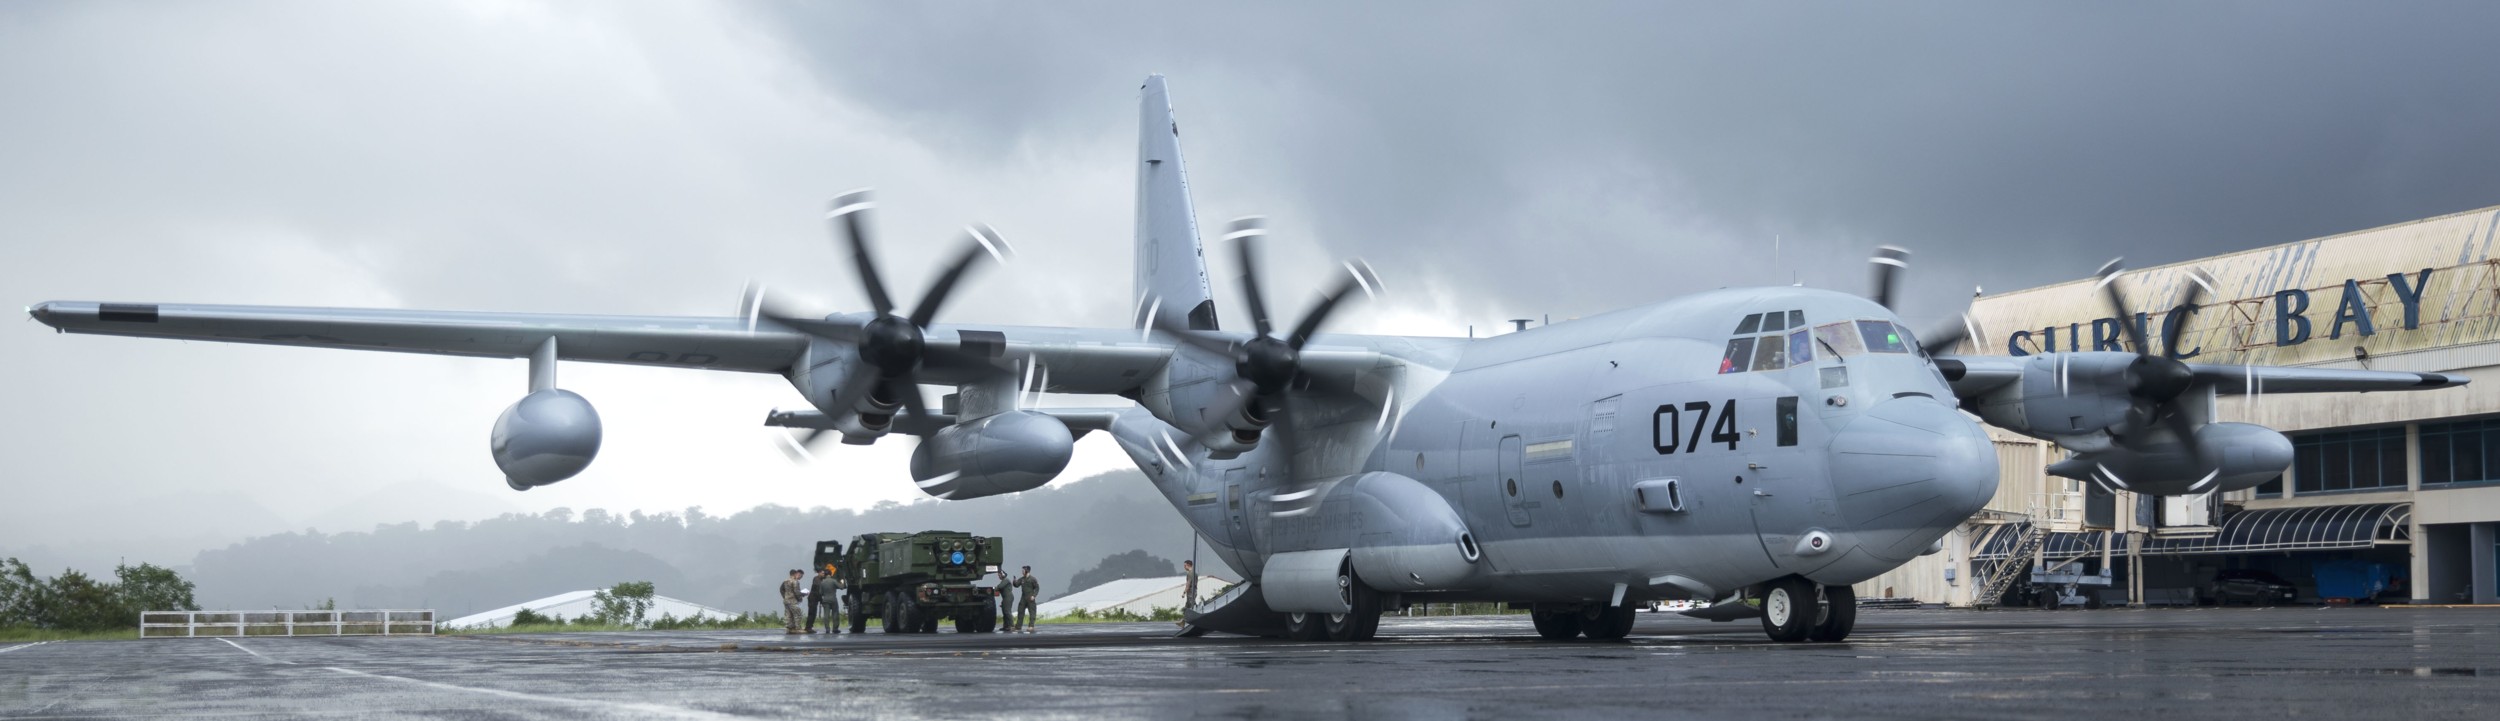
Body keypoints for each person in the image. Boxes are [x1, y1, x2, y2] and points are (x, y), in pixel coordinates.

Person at [805, 566, 839, 634]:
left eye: (824, 574)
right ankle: (808, 627)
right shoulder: (816, 579)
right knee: (812, 613)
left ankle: (809, 627)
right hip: (813, 598)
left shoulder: (822, 580)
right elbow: (819, 587)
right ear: (819, 573)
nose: (824, 575)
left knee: (813, 613)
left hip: (818, 598)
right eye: (823, 573)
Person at [1014, 566, 1041, 633]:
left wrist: (1034, 596)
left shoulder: (1032, 579)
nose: (1022, 572)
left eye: (1023, 570)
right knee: (1020, 611)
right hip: (1023, 598)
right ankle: (1018, 626)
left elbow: (1037, 588)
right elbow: (1016, 585)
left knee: (1032, 612)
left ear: (1027, 571)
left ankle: (1031, 626)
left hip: (1030, 597)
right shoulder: (1022, 579)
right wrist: (1014, 581)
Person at [779, 569, 804, 634]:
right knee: (797, 614)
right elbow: (796, 592)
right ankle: (798, 628)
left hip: (786, 600)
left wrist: (784, 597)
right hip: (793, 600)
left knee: (788, 614)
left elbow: (781, 589)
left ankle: (789, 628)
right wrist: (801, 596)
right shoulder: (795, 581)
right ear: (795, 574)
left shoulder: (785, 581)